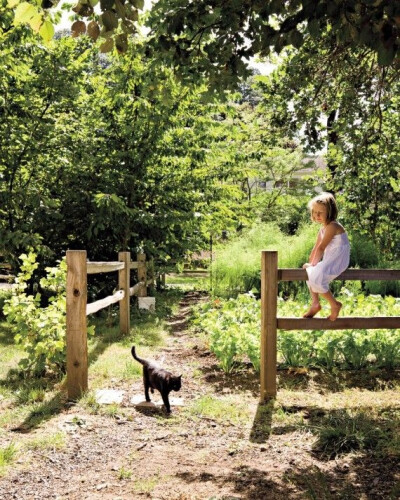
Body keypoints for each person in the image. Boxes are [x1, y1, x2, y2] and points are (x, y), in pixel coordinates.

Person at [302, 192, 350, 321]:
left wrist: (314, 265)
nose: (317, 215)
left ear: (330, 212)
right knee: (309, 270)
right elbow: (315, 248)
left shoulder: (333, 226)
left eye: (320, 212)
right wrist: (311, 264)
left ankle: (334, 304)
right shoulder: (323, 229)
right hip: (330, 260)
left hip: (338, 260)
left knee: (316, 273)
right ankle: (315, 303)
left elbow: (322, 248)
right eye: (314, 212)